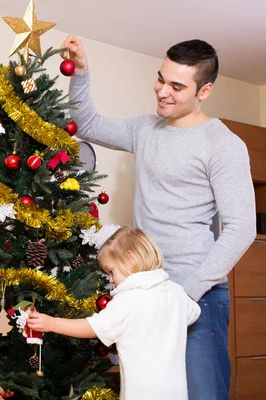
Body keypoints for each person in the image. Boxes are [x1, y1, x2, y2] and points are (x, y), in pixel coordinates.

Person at [61, 35, 256, 399]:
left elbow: (242, 228)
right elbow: (86, 124)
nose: (162, 91)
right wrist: (82, 72)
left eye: (177, 85)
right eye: (161, 78)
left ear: (205, 90)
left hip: (197, 298)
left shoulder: (223, 144)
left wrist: (185, 294)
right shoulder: (144, 129)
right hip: (146, 295)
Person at [28, 225, 201, 400]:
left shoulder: (128, 300)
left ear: (130, 259)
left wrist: (52, 323)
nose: (110, 279)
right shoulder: (176, 292)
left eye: (111, 271)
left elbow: (93, 327)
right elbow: (194, 312)